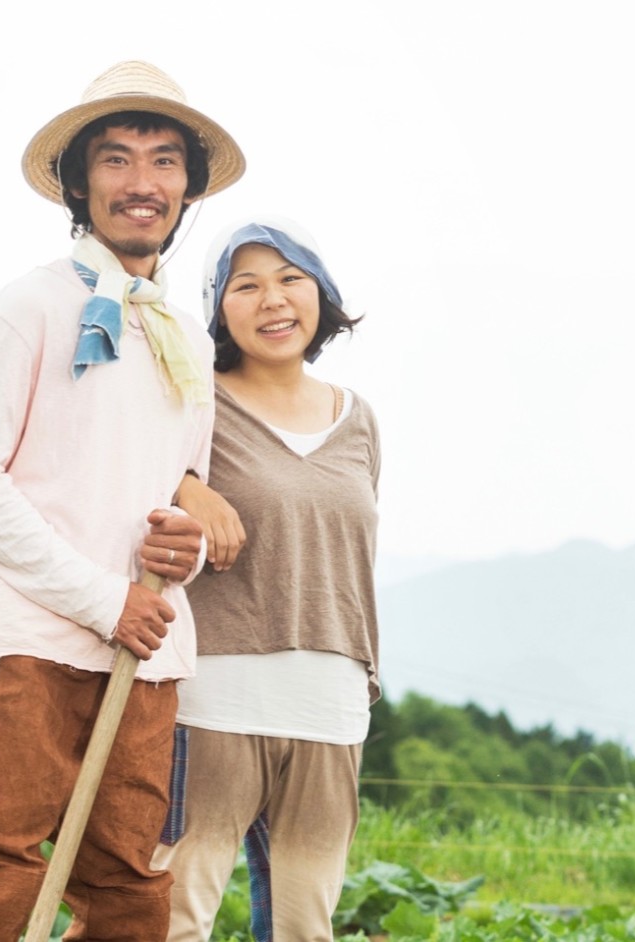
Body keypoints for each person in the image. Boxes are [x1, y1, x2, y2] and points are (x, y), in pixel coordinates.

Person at [0, 61, 245, 942]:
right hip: (20, 651)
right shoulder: (28, 306)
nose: (142, 183)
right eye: (116, 159)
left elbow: (170, 481)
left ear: (188, 189)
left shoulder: (184, 335)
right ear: (78, 182)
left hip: (143, 662)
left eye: (164, 162)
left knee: (131, 891)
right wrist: (104, 599)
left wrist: (178, 542)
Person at [152, 216, 381, 942]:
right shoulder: (194, 404)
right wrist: (190, 487)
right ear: (219, 310)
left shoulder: (360, 419)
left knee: (305, 929)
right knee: (177, 915)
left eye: (290, 280)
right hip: (214, 692)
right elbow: (131, 486)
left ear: (321, 295)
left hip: (329, 702)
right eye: (245, 286)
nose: (272, 300)